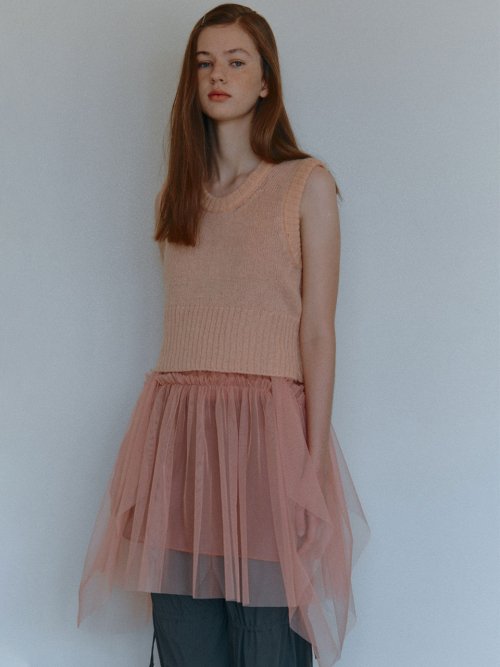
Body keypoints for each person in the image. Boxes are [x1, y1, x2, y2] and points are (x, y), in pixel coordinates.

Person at [77, 4, 370, 666]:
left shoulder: (306, 184)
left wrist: (312, 465)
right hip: (180, 437)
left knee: (268, 639)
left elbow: (317, 333)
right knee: (184, 635)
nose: (218, 75)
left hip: (266, 437)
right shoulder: (176, 197)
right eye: (205, 63)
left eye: (236, 62)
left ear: (266, 81)